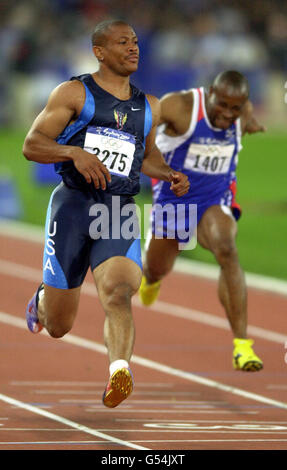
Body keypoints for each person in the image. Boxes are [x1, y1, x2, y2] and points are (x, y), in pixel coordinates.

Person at [23, 19, 189, 408]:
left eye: (135, 42)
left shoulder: (149, 106)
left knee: (119, 291)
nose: (133, 48)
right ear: (99, 51)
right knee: (60, 326)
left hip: (118, 208)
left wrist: (168, 173)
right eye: (122, 43)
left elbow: (144, 156)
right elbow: (33, 144)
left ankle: (119, 370)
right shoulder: (74, 93)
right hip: (73, 206)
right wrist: (73, 153)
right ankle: (43, 300)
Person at [139, 70, 266, 372]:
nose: (228, 114)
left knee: (227, 248)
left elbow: (243, 120)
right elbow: (140, 123)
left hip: (214, 199)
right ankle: (151, 279)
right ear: (211, 92)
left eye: (236, 109)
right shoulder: (180, 107)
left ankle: (242, 346)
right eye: (222, 104)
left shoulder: (242, 111)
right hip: (174, 199)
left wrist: (249, 124)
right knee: (156, 268)